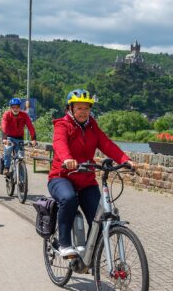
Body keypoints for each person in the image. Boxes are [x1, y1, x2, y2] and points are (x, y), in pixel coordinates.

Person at [47, 89, 136, 257]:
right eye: (79, 108)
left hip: (86, 179)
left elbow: (107, 144)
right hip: (62, 177)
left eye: (87, 108)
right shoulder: (62, 125)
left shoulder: (92, 126)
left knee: (100, 218)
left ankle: (88, 254)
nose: (83, 112)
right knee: (69, 198)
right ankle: (64, 244)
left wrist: (125, 159)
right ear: (71, 108)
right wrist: (67, 159)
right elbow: (59, 143)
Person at [1, 97, 37, 175]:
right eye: (13, 107)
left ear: (19, 107)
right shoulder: (7, 114)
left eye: (17, 107)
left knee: (21, 156)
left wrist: (33, 139)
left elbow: (30, 126)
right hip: (9, 137)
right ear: (10, 107)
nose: (15, 109)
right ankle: (6, 168)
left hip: (19, 138)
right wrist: (4, 138)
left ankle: (21, 180)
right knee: (8, 149)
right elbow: (4, 126)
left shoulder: (24, 115)